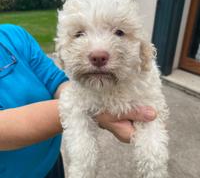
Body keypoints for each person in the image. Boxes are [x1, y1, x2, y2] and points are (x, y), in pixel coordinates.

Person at [0, 24, 156, 178]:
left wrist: (98, 94)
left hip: (50, 163)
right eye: (80, 34)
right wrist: (89, 107)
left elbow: (55, 80)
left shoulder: (14, 36)